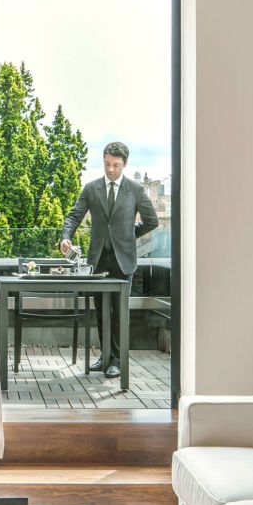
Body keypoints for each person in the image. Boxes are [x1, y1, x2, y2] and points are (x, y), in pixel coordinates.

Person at [59, 141, 159, 379]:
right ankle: (105, 356)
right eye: (107, 164)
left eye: (115, 165)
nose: (111, 169)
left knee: (118, 313)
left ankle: (116, 360)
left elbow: (152, 221)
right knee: (102, 311)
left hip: (123, 261)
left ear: (124, 164)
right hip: (97, 261)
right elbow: (74, 216)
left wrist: (128, 235)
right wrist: (65, 238)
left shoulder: (135, 190)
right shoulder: (91, 189)